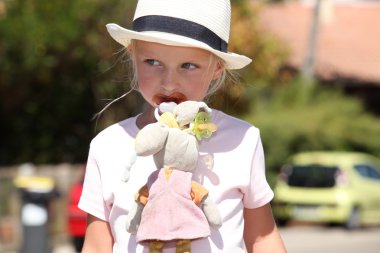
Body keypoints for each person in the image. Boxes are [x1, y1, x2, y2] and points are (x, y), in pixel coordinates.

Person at [78, 0, 287, 252]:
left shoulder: (243, 140)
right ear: (133, 54)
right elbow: (97, 245)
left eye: (188, 66)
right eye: (152, 62)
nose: (168, 83)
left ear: (217, 68)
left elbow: (263, 238)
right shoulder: (107, 145)